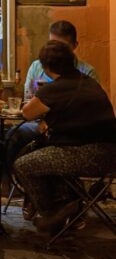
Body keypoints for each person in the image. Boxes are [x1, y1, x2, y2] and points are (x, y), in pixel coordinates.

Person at [13, 39, 116, 233]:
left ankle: (52, 211)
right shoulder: (88, 82)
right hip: (109, 152)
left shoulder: (55, 88)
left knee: (23, 164)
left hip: (86, 154)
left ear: (46, 67)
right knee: (39, 151)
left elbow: (27, 113)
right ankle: (67, 203)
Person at [9, 21, 100, 166]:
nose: (55, 52)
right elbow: (27, 101)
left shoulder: (83, 74)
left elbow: (87, 113)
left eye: (61, 48)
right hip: (51, 126)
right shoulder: (37, 67)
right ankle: (13, 181)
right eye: (52, 45)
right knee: (15, 134)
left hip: (76, 136)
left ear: (74, 46)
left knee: (24, 163)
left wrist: (49, 120)